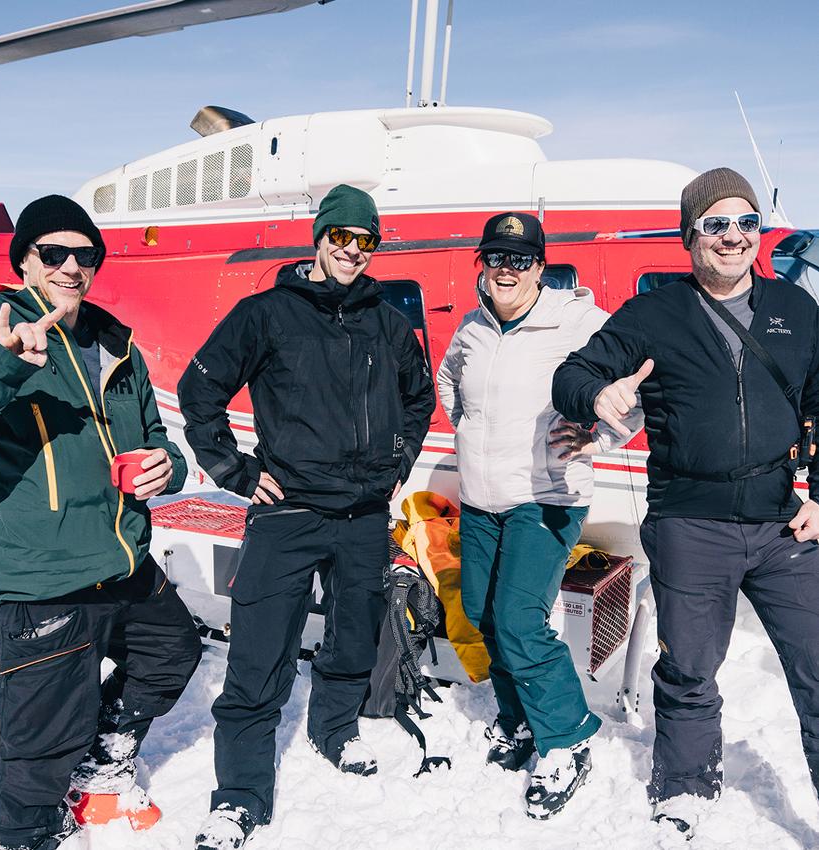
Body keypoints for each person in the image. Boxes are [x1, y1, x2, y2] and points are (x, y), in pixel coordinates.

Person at [552, 168, 819, 837]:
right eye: (716, 224)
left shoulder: (796, 310)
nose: (733, 237)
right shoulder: (655, 313)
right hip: (689, 523)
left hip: (782, 519)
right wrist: (595, 396)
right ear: (689, 235)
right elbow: (573, 373)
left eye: (746, 222)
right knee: (691, 667)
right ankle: (687, 784)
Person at [178, 184, 435, 849]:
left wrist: (398, 461)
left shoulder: (387, 321)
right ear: (319, 238)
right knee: (259, 658)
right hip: (287, 512)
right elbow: (198, 389)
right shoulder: (266, 313)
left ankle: (335, 730)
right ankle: (238, 796)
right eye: (341, 236)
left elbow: (419, 396)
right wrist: (234, 470)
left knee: (354, 640)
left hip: (363, 517)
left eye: (365, 240)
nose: (352, 250)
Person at [0, 195, 201, 850]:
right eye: (54, 253)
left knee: (170, 653)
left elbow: (159, 439)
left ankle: (101, 766)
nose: (71, 266)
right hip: (44, 577)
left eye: (85, 254)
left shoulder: (115, 342)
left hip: (123, 561)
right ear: (24, 261)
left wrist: (169, 465)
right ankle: (31, 836)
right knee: (40, 750)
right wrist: (5, 365)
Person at [436, 212, 642, 819]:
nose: (506, 268)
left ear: (540, 267)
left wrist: (601, 439)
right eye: (495, 257)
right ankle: (519, 718)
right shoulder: (471, 329)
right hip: (481, 497)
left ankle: (568, 733)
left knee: (519, 619)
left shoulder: (578, 322)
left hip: (547, 497)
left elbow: (635, 393)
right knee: (478, 613)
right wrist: (474, 431)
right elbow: (451, 385)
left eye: (520, 259)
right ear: (483, 264)